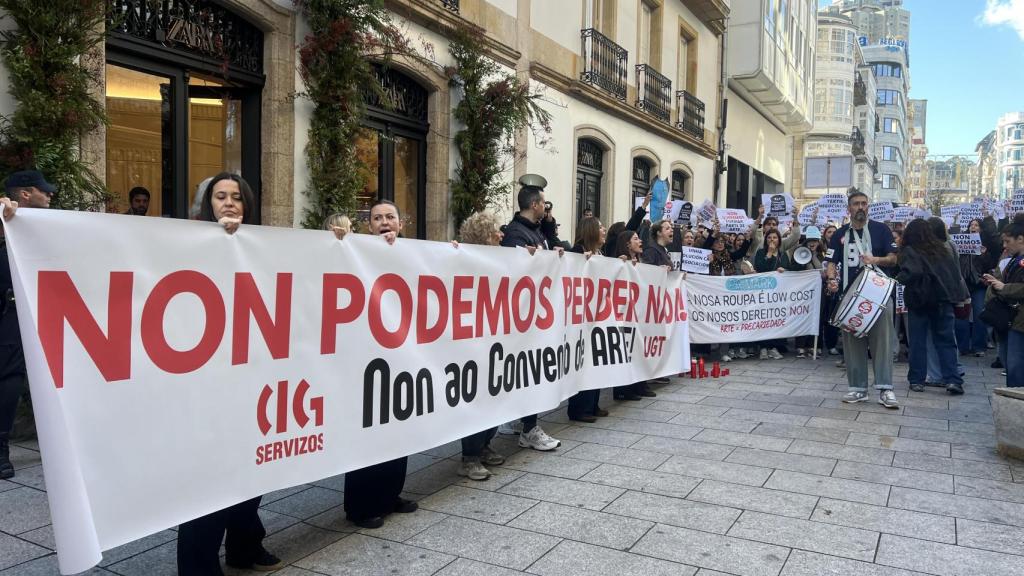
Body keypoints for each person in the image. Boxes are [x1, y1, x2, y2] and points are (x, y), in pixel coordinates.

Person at [176, 172, 283, 574]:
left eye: (236, 197)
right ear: (208, 204)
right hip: (204, 383)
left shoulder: (263, 246)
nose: (229, 203)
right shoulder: (184, 244)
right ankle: (199, 565)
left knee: (251, 473)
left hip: (252, 379)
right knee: (205, 482)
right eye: (219, 196)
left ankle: (244, 546)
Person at [339, 199, 420, 527]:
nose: (385, 222)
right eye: (377, 218)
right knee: (367, 434)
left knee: (398, 429)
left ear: (400, 223)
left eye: (390, 217)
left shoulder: (414, 253)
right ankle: (359, 506)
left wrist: (456, 253)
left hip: (400, 355)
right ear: (368, 225)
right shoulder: (353, 251)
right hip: (365, 358)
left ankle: (389, 495)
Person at [499, 174, 562, 451]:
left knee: (533, 370)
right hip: (523, 315)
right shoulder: (515, 233)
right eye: (544, 205)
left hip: (537, 313)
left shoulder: (536, 230)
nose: (547, 209)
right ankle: (527, 427)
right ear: (535, 204)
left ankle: (525, 422)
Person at [0, 170, 55, 480]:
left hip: (41, 310)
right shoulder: (6, 216)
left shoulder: (43, 225)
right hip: (10, 312)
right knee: (9, 379)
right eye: (42, 191)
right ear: (24, 194)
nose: (49, 196)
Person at [827, 189, 899, 409]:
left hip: (878, 294)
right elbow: (831, 261)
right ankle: (858, 388)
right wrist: (831, 279)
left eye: (864, 203)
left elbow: (894, 259)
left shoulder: (881, 230)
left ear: (868, 206)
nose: (861, 207)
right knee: (852, 343)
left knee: (882, 342)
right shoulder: (840, 234)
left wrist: (874, 258)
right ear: (849, 209)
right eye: (856, 204)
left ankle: (885, 388)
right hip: (850, 296)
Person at [454, 211, 508, 480]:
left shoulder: (502, 259)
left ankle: (485, 444)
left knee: (495, 395)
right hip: (472, 343)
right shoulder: (462, 259)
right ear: (483, 236)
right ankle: (469, 456)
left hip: (495, 341)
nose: (501, 234)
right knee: (476, 398)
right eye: (495, 231)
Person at [898, 219, 968, 395]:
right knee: (946, 341)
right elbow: (954, 275)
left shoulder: (910, 250)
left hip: (920, 301)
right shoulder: (943, 249)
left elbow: (911, 273)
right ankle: (953, 379)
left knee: (918, 341)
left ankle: (917, 380)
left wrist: (898, 277)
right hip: (943, 301)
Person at [567, 216, 610, 422]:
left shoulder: (602, 253)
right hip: (582, 318)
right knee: (583, 362)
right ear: (591, 230)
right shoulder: (576, 252)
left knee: (596, 361)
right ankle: (578, 409)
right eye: (600, 227)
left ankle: (593, 404)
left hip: (598, 316)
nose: (604, 230)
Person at [983, 214, 1024, 387]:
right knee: (1011, 363)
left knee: (1015, 364)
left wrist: (1003, 287)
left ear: (1020, 239)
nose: (1005, 246)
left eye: (1008, 241)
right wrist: (994, 282)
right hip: (1011, 318)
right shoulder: (1014, 259)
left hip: (1019, 319)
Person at [955, 217, 1000, 357]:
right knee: (961, 314)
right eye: (971, 225)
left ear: (981, 229)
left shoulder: (985, 245)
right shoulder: (960, 243)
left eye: (976, 225)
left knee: (979, 314)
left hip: (979, 284)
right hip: (963, 284)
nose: (973, 227)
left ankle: (978, 346)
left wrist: (983, 254)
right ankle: (962, 346)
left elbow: (989, 265)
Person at [612, 230, 647, 400]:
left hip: (637, 313)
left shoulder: (640, 261)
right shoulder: (620, 261)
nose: (640, 241)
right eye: (635, 239)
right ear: (627, 244)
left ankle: (637, 385)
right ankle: (622, 389)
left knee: (636, 349)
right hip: (624, 314)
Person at [787, 226, 825, 358]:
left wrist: (813, 256)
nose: (812, 243)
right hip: (804, 293)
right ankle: (801, 346)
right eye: (810, 241)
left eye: (815, 240)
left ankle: (814, 345)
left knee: (818, 318)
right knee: (802, 316)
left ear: (819, 241)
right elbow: (793, 269)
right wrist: (803, 258)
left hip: (819, 293)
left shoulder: (822, 254)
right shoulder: (799, 252)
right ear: (806, 241)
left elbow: (823, 272)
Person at [754, 229, 790, 360]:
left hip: (777, 294)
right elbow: (760, 268)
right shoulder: (760, 253)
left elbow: (787, 269)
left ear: (779, 240)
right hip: (763, 293)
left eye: (775, 238)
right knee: (764, 320)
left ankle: (773, 347)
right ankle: (763, 347)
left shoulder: (782, 254)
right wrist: (769, 253)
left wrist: (784, 270)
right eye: (769, 238)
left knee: (774, 320)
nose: (772, 240)